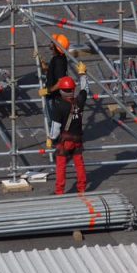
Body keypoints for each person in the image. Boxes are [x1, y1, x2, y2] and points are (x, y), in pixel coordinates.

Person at [47, 66, 88, 195]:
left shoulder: (59, 106)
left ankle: (60, 191)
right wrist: (82, 74)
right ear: (73, 89)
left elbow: (55, 127)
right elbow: (85, 89)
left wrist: (51, 139)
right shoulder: (79, 101)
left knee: (61, 165)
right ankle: (81, 188)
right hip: (78, 139)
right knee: (79, 163)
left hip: (65, 141)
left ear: (61, 90)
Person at [39, 33, 70, 100]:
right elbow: (50, 70)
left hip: (54, 97)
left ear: (56, 47)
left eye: (52, 42)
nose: (50, 43)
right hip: (52, 96)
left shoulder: (59, 62)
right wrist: (40, 60)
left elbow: (60, 82)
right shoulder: (57, 57)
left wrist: (48, 91)